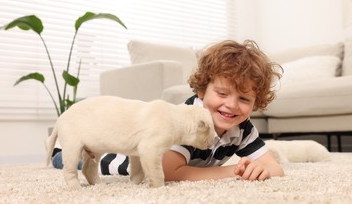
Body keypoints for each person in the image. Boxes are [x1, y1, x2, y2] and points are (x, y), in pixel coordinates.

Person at [50, 39, 284, 181]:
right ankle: (59, 149)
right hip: (116, 157)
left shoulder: (242, 127)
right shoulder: (183, 121)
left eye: (244, 98)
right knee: (72, 158)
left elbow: (275, 168)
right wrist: (233, 171)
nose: (232, 105)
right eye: (222, 94)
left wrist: (259, 169)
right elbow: (171, 172)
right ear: (202, 90)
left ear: (256, 102)